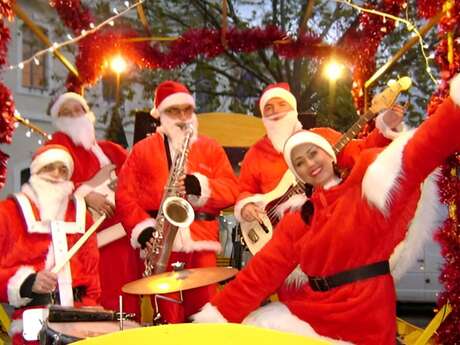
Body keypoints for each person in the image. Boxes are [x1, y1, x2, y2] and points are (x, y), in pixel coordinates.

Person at [192, 76, 460, 343]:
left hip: (364, 313)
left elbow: (419, 151)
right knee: (259, 327)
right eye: (299, 163)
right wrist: (216, 315)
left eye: (313, 153)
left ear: (330, 155)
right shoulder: (300, 219)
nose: (310, 164)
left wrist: (454, 108)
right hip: (313, 312)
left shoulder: (366, 190)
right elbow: (261, 272)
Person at [235, 82, 405, 299]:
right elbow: (244, 190)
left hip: (326, 243)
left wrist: (385, 126)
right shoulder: (255, 154)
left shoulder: (322, 137)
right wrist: (247, 205)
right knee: (291, 312)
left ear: (293, 109)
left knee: (332, 306)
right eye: (269, 108)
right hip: (280, 249)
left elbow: (361, 150)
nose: (276, 111)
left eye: (281, 104)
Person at [116, 80, 239, 324]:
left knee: (204, 315)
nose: (182, 117)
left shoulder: (211, 148)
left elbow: (232, 190)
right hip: (161, 242)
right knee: (166, 318)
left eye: (187, 110)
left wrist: (201, 187)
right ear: (160, 114)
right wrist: (142, 229)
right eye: (174, 111)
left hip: (202, 241)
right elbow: (124, 195)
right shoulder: (142, 150)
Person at [46, 93, 140, 316]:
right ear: (58, 120)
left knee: (126, 303)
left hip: (121, 240)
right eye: (66, 113)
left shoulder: (110, 150)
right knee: (96, 305)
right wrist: (84, 194)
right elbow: (48, 182)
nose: (73, 116)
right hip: (87, 243)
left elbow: (138, 174)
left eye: (78, 110)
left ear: (88, 114)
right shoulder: (58, 146)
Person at [0, 145, 101, 345]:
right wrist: (27, 282)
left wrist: (92, 307)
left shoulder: (81, 217)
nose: (56, 174)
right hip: (33, 325)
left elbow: (92, 273)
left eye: (63, 170)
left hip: (78, 322)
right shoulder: (8, 212)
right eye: (49, 167)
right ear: (36, 171)